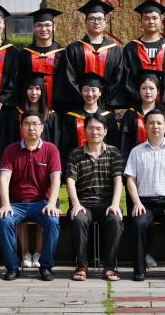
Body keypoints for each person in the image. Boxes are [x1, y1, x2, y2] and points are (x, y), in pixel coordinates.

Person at [0, 108, 62, 281]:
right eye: (27, 124)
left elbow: (56, 179)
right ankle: (12, 267)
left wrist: (52, 203)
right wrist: (5, 204)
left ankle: (46, 266)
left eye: (35, 124)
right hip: (16, 203)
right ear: (21, 127)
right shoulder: (11, 150)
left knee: (52, 221)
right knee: (4, 221)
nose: (31, 128)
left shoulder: (51, 150)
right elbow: (4, 179)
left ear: (42, 127)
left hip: (41, 203)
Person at [125, 107, 165, 282]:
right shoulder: (136, 151)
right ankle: (139, 270)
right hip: (144, 203)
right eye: (151, 123)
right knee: (138, 223)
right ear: (145, 126)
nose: (155, 126)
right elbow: (130, 179)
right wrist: (137, 202)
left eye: (159, 123)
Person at [66, 113, 125, 281]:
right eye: (91, 128)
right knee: (78, 219)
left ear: (105, 131)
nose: (95, 132)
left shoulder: (113, 152)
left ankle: (109, 267)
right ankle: (82, 266)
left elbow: (118, 179)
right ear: (84, 130)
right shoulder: (75, 154)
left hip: (107, 203)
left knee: (115, 220)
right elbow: (70, 180)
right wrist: (76, 204)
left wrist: (115, 204)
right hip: (84, 204)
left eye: (99, 128)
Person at [13, 74, 58, 269]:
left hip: (44, 169)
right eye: (30, 88)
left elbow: (56, 142)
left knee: (45, 206)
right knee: (19, 199)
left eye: (38, 88)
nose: (34, 92)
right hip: (20, 166)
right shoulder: (15, 114)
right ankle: (25, 253)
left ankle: (38, 253)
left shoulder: (51, 116)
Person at [54, 0, 126, 111]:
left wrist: (103, 100)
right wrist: (84, 98)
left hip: (105, 108)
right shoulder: (73, 49)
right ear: (86, 22)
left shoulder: (115, 50)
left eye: (100, 19)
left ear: (105, 22)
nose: (96, 22)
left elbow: (118, 79)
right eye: (92, 18)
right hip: (78, 108)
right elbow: (68, 78)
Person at [122, 0, 165, 110]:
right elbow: (127, 79)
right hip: (137, 106)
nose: (151, 21)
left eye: (154, 18)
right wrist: (137, 98)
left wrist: (163, 101)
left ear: (161, 21)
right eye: (146, 18)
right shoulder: (131, 48)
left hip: (163, 107)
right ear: (141, 23)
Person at [58, 72, 117, 168]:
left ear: (100, 92)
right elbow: (65, 146)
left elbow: (113, 143)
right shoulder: (71, 116)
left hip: (104, 165)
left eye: (93, 90)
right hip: (76, 165)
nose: (90, 94)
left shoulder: (108, 116)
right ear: (81, 92)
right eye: (86, 90)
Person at [17, 7, 65, 112]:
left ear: (54, 27)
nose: (43, 29)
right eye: (39, 25)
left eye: (47, 25)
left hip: (56, 109)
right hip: (30, 109)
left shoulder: (62, 53)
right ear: (34, 28)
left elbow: (64, 83)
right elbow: (19, 81)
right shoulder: (24, 54)